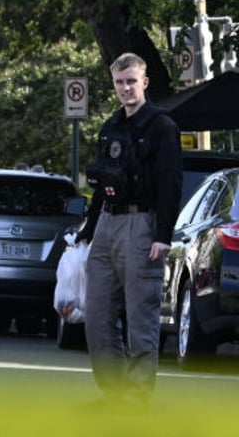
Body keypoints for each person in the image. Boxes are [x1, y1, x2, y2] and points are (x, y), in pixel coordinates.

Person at [77, 52, 182, 406]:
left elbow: (171, 183)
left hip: (142, 224)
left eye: (131, 81)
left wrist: (162, 235)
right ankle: (113, 393)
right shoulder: (111, 127)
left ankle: (136, 398)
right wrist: (88, 232)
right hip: (108, 222)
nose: (125, 88)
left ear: (145, 83)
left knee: (141, 317)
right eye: (120, 82)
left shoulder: (162, 127)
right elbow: (101, 185)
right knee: (97, 316)